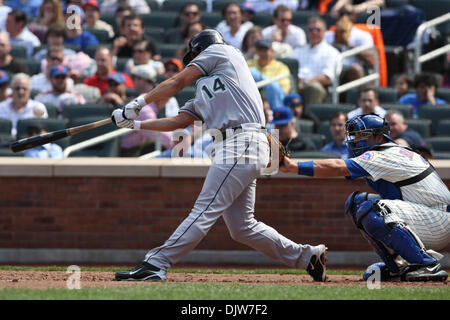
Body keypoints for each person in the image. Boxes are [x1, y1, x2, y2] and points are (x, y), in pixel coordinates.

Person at [111, 29, 328, 282]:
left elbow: (176, 82)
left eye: (194, 55)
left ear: (202, 48)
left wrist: (138, 103)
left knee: (204, 209)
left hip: (242, 140)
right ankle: (307, 257)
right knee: (242, 227)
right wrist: (136, 124)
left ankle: (156, 263)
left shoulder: (223, 51)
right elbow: (180, 121)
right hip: (238, 145)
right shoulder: (206, 89)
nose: (193, 61)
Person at [280, 113, 449, 282]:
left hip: (438, 220)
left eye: (362, 135)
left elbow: (338, 167)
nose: (355, 139)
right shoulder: (390, 151)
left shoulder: (386, 154)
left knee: (374, 209)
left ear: (379, 137)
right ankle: (398, 266)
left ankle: (426, 264)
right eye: (355, 135)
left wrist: (292, 166)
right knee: (357, 202)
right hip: (428, 215)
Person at [120, 64, 175, 157]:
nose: (166, 99)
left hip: (137, 147)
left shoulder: (147, 103)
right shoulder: (144, 108)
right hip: (127, 152)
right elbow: (157, 133)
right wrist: (182, 141)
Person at [290, 16, 339, 105]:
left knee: (313, 87)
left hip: (318, 87)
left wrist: (305, 82)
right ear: (307, 32)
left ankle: (310, 118)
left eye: (318, 30)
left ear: (324, 32)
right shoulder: (298, 51)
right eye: (311, 30)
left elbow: (327, 77)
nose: (314, 32)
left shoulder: (332, 52)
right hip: (296, 84)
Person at [324, 14, 374, 83]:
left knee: (355, 69)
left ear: (353, 17)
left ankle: (357, 93)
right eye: (341, 14)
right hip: (331, 66)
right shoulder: (327, 35)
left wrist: (349, 45)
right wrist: (335, 41)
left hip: (350, 68)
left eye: (347, 14)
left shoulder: (363, 35)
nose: (344, 17)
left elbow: (369, 59)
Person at [0, 73, 48, 139]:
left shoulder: (39, 107)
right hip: (5, 145)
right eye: (17, 88)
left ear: (29, 91)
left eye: (24, 88)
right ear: (12, 90)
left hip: (29, 145)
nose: (21, 92)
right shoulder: (1, 107)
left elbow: (42, 133)